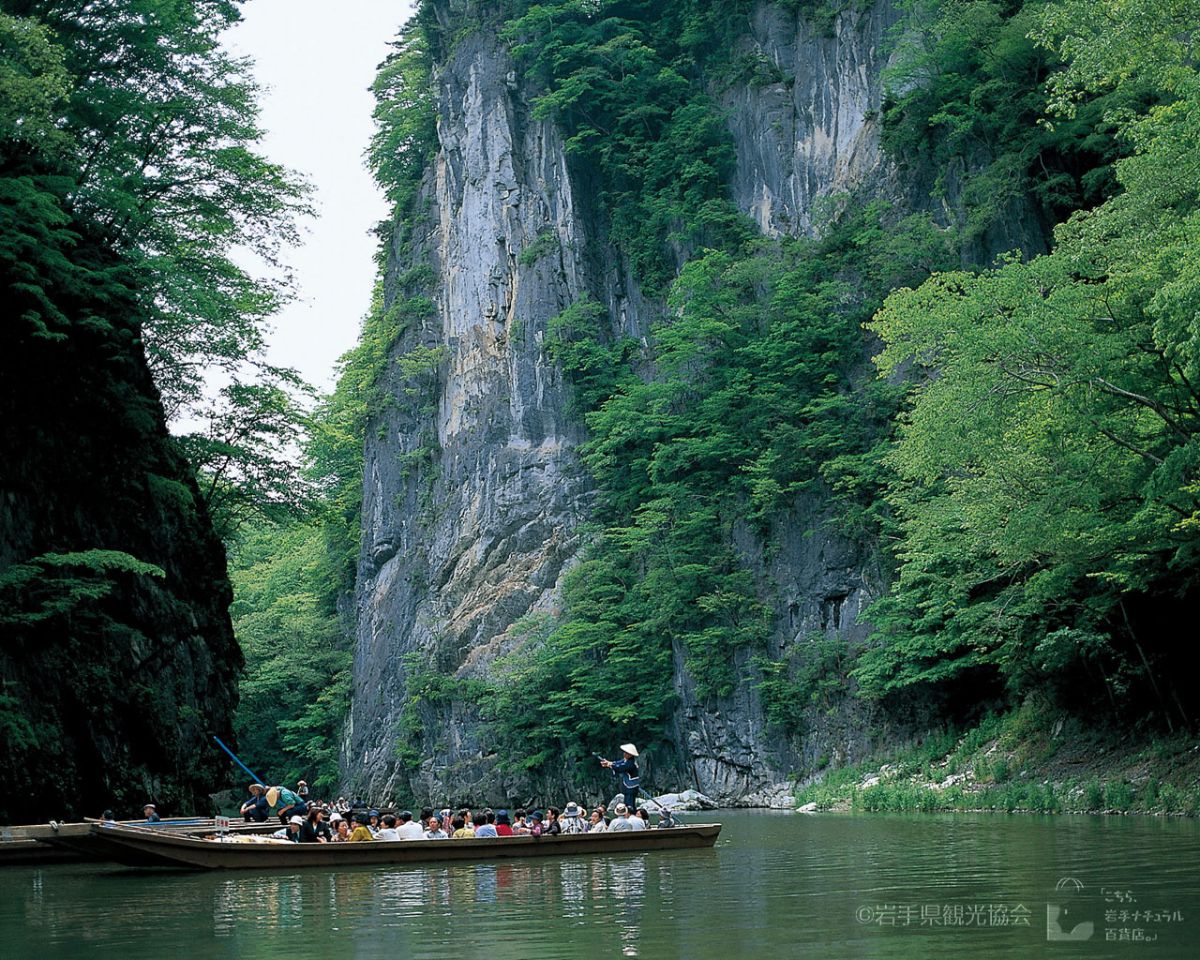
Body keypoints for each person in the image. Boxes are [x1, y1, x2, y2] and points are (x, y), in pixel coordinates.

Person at [600, 743, 640, 809]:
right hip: (628, 786)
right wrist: (609, 763)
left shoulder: (631, 763)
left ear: (630, 754)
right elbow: (617, 763)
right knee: (627, 803)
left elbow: (620, 768)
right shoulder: (626, 760)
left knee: (630, 805)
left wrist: (609, 764)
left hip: (631, 787)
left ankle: (630, 814)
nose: (624, 754)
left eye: (626, 753)